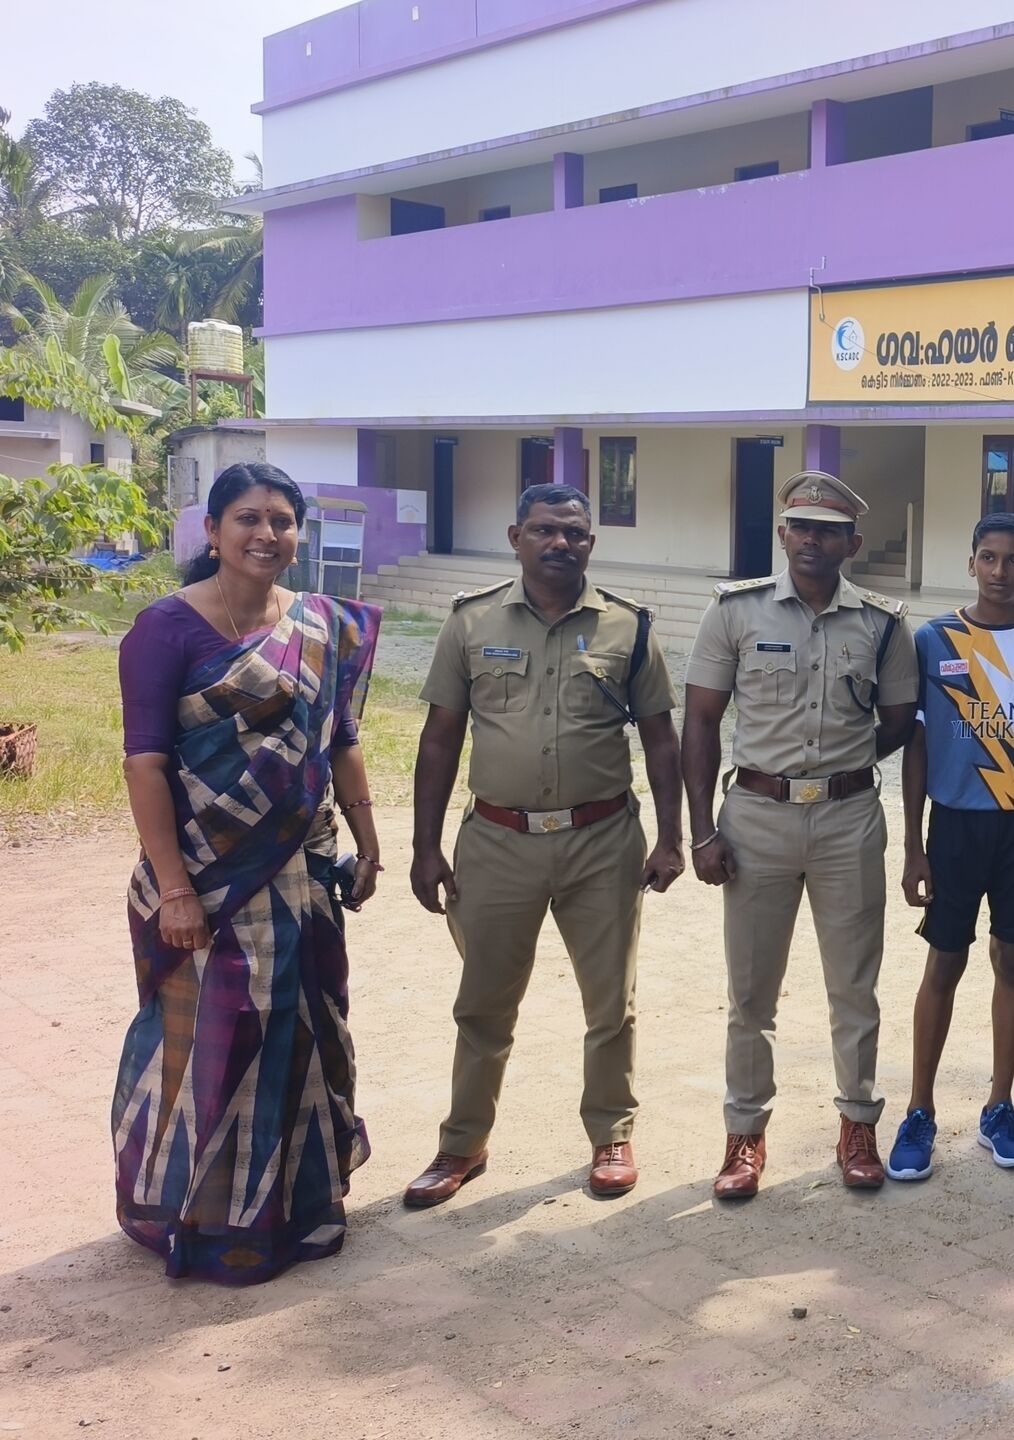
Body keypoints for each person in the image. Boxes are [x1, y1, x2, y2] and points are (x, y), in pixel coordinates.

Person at [113, 462, 382, 1282]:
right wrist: (176, 890)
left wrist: (369, 843)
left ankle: (295, 1210)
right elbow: (145, 765)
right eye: (247, 518)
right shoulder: (166, 628)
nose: (266, 534)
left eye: (281, 520)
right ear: (213, 530)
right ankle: (196, 1221)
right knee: (208, 1045)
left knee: (302, 1039)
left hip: (301, 876)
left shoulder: (323, 624)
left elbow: (341, 741)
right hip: (205, 883)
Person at [406, 483, 684, 1206]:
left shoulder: (629, 627)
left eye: (574, 533)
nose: (560, 543)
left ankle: (612, 1133)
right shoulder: (470, 622)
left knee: (611, 1003)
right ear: (515, 537)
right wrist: (425, 846)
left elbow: (661, 738)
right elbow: (439, 739)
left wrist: (671, 837)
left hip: (603, 840)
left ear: (591, 542)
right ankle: (462, 1143)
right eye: (544, 530)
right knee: (483, 1003)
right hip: (498, 842)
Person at [683, 472, 918, 1199]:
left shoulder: (883, 623)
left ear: (853, 543)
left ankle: (858, 1125)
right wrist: (701, 831)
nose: (814, 540)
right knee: (751, 994)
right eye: (802, 526)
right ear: (783, 534)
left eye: (830, 530)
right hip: (756, 820)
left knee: (855, 988)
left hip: (849, 820)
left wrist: (843, 768)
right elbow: (700, 722)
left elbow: (899, 722)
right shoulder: (735, 612)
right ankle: (744, 1134)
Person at [887, 514, 1014, 1180]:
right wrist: (913, 846)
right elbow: (916, 746)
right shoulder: (934, 639)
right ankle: (919, 1110)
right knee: (944, 962)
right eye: (989, 558)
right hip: (955, 826)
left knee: (1012, 960)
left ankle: (1000, 1106)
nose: (1001, 571)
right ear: (971, 563)